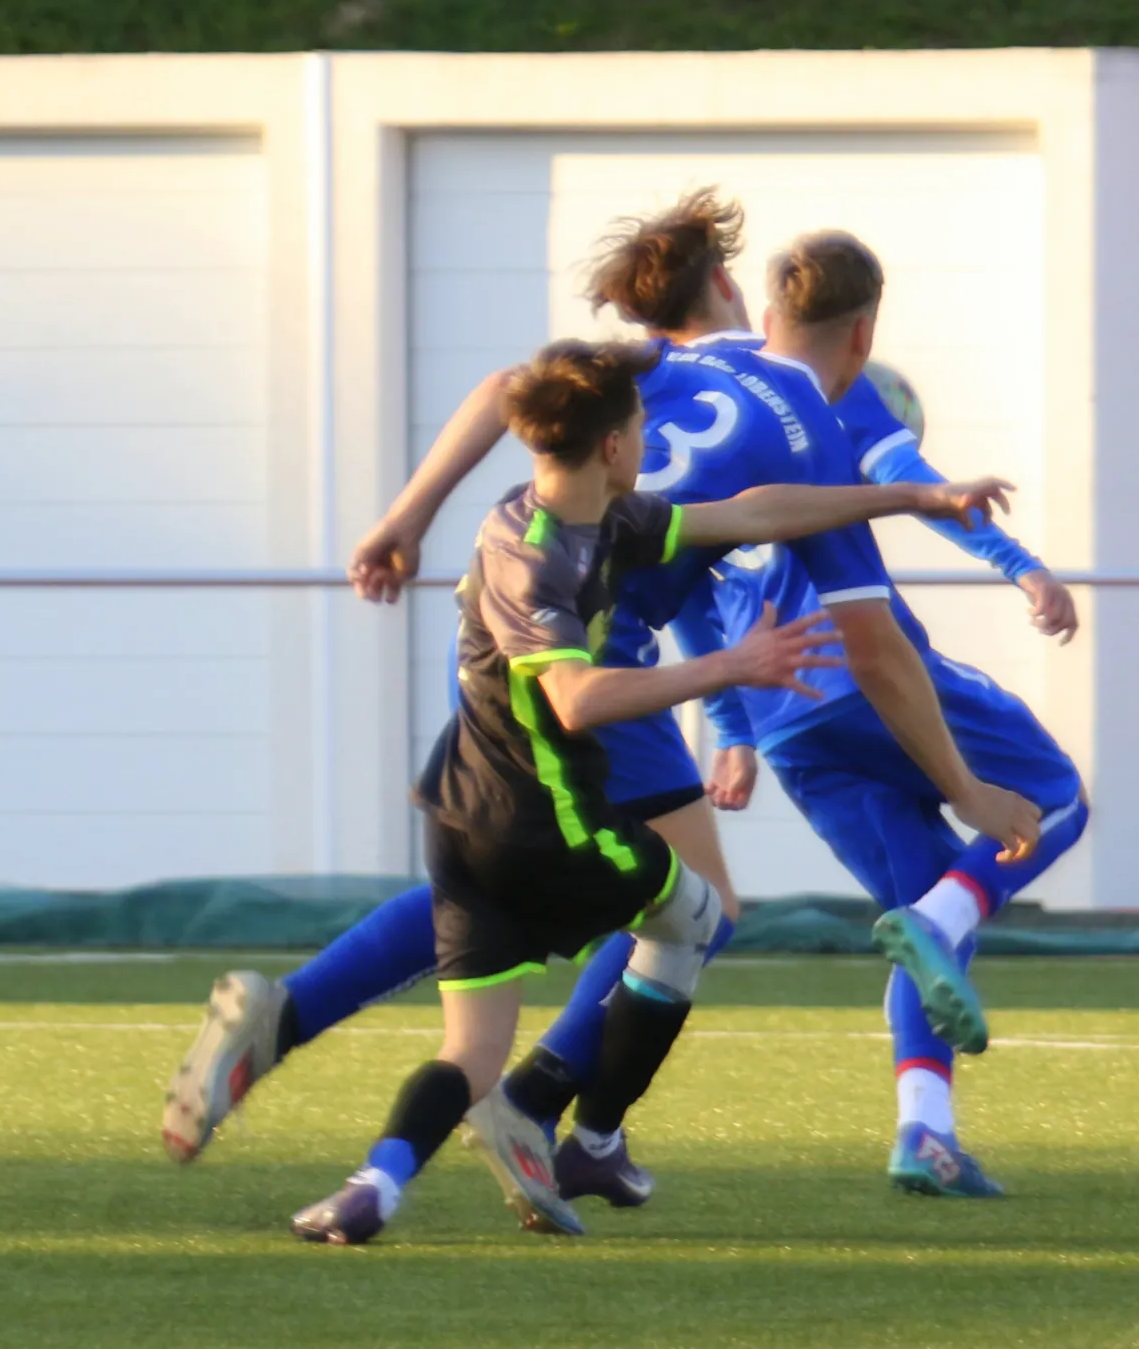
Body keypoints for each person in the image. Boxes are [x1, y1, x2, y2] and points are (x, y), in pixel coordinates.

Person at [161, 193, 1046, 1204]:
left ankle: (303, 1021)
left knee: (495, 881)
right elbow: (872, 644)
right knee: (688, 907)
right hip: (595, 664)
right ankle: (536, 1110)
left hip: (498, 630)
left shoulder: (662, 361)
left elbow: (507, 388)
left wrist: (406, 515)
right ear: (857, 336)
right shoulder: (810, 427)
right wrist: (965, 791)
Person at [287, 337, 1014, 1244]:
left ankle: (375, 1188)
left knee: (471, 1053)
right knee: (696, 916)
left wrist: (913, 497)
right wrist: (731, 667)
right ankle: (594, 1134)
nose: (647, 437)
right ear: (612, 446)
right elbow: (577, 698)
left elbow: (753, 513)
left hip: (462, 822)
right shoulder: (534, 555)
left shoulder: (603, 519)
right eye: (638, 426)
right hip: (554, 827)